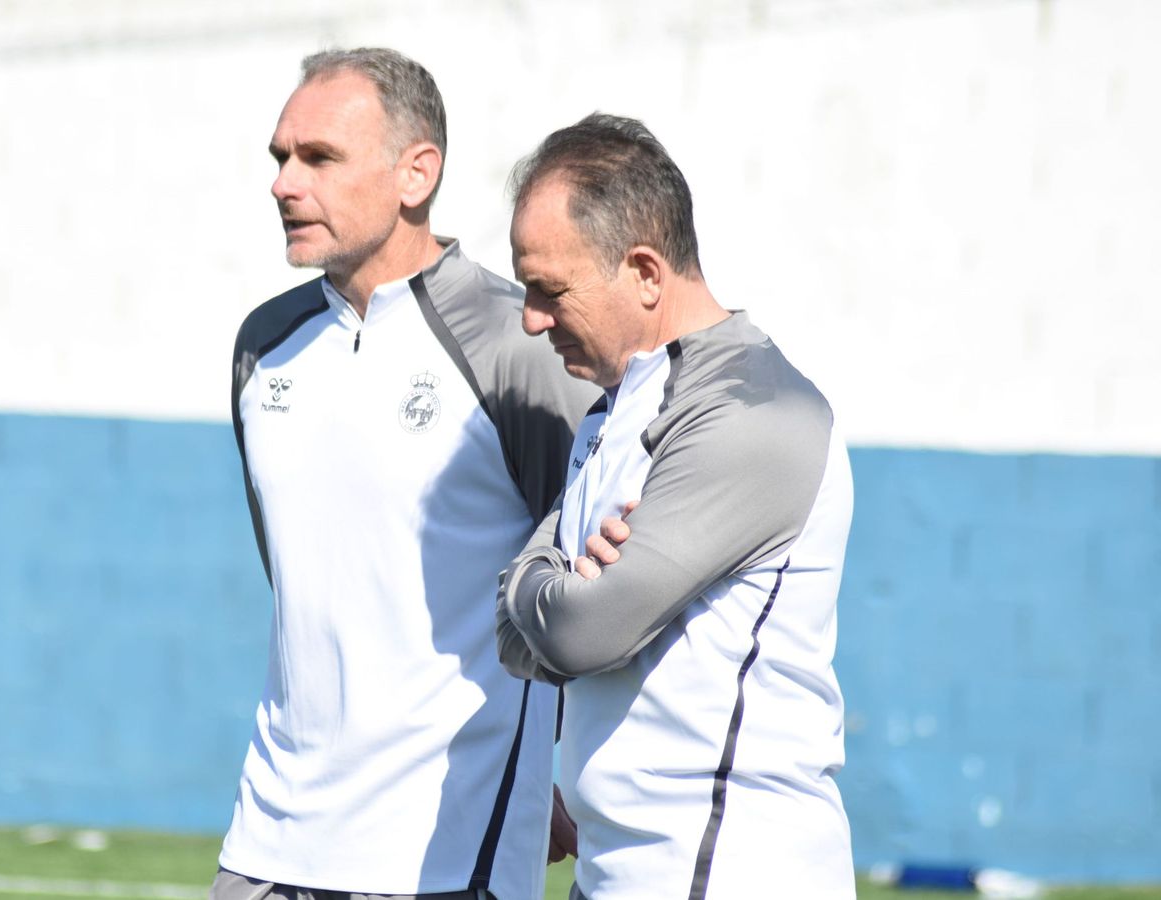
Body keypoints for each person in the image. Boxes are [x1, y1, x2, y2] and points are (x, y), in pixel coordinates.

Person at [217, 49, 597, 900]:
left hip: (445, 851)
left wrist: (548, 769)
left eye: (318, 157)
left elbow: (590, 586)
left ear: (415, 173)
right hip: (267, 843)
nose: (284, 183)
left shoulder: (518, 345)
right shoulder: (260, 347)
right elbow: (304, 581)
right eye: (280, 157)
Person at [495, 113, 856, 899]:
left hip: (725, 872)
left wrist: (549, 596)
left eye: (550, 290)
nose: (531, 319)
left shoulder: (752, 411)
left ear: (647, 273)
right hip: (620, 870)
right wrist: (549, 591)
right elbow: (522, 631)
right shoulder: (613, 408)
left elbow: (582, 631)